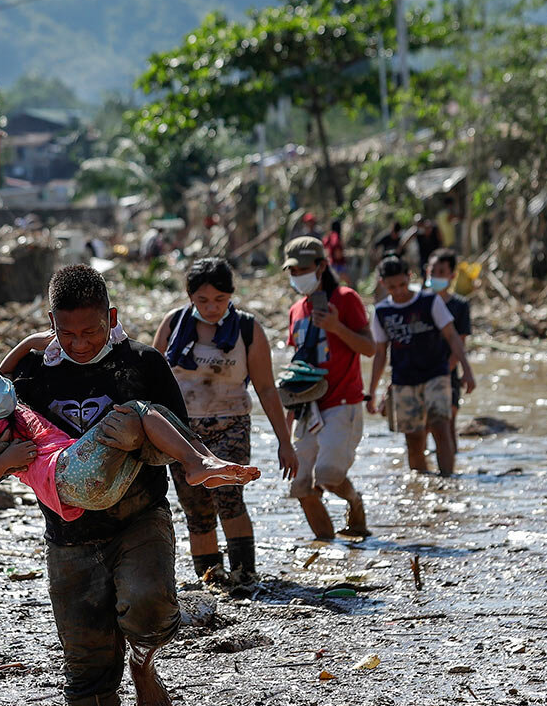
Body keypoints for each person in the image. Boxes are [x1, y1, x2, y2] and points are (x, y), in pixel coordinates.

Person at [0, 265, 192, 706]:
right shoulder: (34, 373)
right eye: (67, 332)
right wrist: (25, 345)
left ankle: (144, 664)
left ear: (113, 316)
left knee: (149, 607)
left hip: (139, 518)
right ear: (50, 323)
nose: (80, 343)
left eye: (91, 330)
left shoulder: (143, 364)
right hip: (69, 535)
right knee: (86, 666)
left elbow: (177, 437)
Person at [0, 352, 260, 519]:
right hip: (69, 471)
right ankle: (197, 462)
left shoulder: (5, 406)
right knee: (138, 410)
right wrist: (5, 463)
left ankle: (204, 460)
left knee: (153, 422)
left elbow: (6, 368)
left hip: (94, 490)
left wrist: (31, 343)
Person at [152, 257, 298, 581]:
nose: (212, 308)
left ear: (231, 295)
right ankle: (211, 579)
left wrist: (285, 442)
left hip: (231, 425)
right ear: (190, 297)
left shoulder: (247, 328)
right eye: (202, 300)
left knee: (229, 498)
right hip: (182, 432)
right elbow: (151, 378)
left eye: (220, 300)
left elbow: (265, 389)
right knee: (196, 509)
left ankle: (245, 575)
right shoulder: (174, 324)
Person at [282, 237, 377, 540]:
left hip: (342, 401)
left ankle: (353, 501)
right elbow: (298, 365)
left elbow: (369, 348)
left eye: (304, 269)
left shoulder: (346, 299)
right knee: (301, 487)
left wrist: (337, 327)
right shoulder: (296, 310)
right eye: (292, 271)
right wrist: (288, 418)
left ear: (322, 266)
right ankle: (325, 548)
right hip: (308, 408)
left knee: (329, 475)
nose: (298, 276)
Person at [366, 256, 476, 476]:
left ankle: (447, 481)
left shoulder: (429, 302)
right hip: (404, 380)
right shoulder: (381, 312)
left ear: (410, 277)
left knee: (441, 428)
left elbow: (452, 337)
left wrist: (467, 370)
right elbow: (380, 354)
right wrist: (371, 392)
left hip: (436, 374)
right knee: (414, 438)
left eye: (402, 285)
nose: (398, 291)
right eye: (392, 287)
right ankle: (421, 485)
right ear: (382, 284)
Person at [427, 248, 472, 455]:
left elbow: (459, 343)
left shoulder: (459, 306)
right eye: (432, 270)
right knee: (422, 427)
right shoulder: (420, 301)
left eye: (441, 271)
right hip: (420, 371)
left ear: (451, 275)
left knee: (448, 425)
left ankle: (451, 478)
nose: (435, 275)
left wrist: (446, 371)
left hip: (447, 372)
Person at [322, 219, 348, 284]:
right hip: (337, 264)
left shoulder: (329, 235)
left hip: (332, 263)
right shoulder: (335, 236)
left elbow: (324, 244)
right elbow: (337, 249)